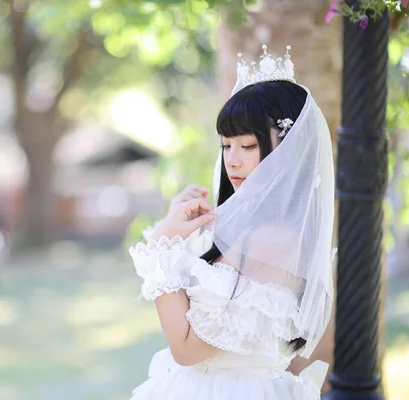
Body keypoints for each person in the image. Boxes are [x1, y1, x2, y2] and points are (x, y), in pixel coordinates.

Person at [128, 45, 336, 400]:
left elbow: (187, 350)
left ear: (285, 151)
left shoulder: (273, 241)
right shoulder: (249, 232)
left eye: (248, 145)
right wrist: (176, 235)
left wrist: (163, 243)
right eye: (226, 146)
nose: (232, 161)